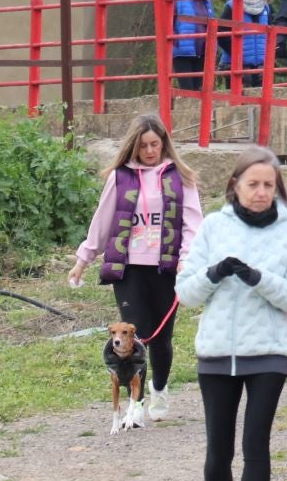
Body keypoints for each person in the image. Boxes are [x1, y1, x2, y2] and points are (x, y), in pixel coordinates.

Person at [176, 146, 287, 481]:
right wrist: (215, 272)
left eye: (268, 185)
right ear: (235, 185)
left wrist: (258, 278)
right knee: (218, 450)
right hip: (217, 353)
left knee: (256, 445)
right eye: (253, 184)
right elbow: (186, 293)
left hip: (268, 352)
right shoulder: (214, 226)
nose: (260, 192)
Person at [70, 114, 205, 418]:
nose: (150, 151)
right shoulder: (121, 178)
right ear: (134, 146)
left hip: (167, 268)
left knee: (162, 337)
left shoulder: (180, 177)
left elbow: (193, 224)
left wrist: (187, 259)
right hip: (129, 268)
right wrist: (83, 260)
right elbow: (102, 221)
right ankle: (137, 402)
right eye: (143, 146)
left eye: (155, 144)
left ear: (164, 143)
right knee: (137, 335)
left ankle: (160, 389)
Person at [172, 0, 216, 91]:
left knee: (200, 90)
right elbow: (168, 21)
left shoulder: (206, 0)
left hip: (202, 51)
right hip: (182, 52)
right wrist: (175, 41)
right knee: (188, 91)